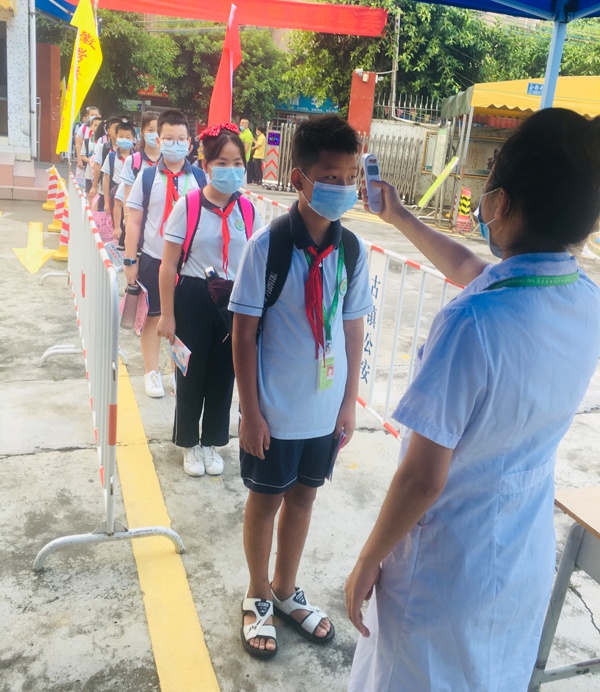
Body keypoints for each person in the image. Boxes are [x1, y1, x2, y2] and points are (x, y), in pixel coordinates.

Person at [345, 108, 600, 691]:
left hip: (445, 568)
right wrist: (399, 215)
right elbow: (472, 268)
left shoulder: (472, 325)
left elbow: (422, 479)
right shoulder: (582, 297)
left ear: (500, 203)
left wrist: (368, 558)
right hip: (518, 555)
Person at [229, 115, 372, 659]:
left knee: (305, 496)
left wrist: (348, 403)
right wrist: (251, 413)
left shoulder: (352, 250)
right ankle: (257, 593)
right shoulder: (267, 248)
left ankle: (286, 589)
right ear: (299, 178)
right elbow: (244, 333)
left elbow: (353, 326)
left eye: (351, 177)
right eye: (331, 177)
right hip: (275, 411)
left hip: (323, 410)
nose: (343, 187)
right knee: (266, 501)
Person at [157, 123, 262, 477]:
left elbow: (257, 261)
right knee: (190, 375)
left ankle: (212, 443)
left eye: (237, 163)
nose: (231, 170)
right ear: (205, 165)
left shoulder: (248, 210)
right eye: (222, 163)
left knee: (224, 375)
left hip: (233, 302)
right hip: (193, 297)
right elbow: (168, 264)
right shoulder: (188, 205)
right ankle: (189, 443)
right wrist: (167, 315)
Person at [124, 109, 206, 399]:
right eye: (169, 138)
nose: (175, 144)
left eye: (181, 139)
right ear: (158, 140)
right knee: (153, 317)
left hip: (188, 264)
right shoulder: (148, 177)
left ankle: (176, 372)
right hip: (154, 259)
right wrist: (130, 261)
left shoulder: (199, 178)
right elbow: (134, 221)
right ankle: (151, 372)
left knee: (182, 320)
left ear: (190, 142)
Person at [115, 111, 161, 247]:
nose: (155, 134)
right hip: (137, 223)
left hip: (159, 225)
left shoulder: (168, 161)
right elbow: (127, 197)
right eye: (150, 130)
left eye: (158, 130)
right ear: (142, 132)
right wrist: (128, 224)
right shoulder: (133, 161)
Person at [102, 120, 136, 226]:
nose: (124, 139)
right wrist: (106, 202)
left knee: (130, 222)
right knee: (116, 224)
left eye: (128, 137)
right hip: (115, 192)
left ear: (133, 139)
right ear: (116, 137)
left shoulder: (137, 158)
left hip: (131, 194)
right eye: (121, 136)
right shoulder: (111, 157)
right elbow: (106, 179)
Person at [90, 116, 122, 211]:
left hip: (121, 190)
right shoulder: (103, 147)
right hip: (104, 189)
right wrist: (94, 186)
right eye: (115, 128)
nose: (118, 131)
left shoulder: (127, 149)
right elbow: (97, 166)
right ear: (109, 131)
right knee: (104, 213)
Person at [81, 116, 102, 194]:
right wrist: (91, 161)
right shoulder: (87, 141)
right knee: (89, 193)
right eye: (95, 125)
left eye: (99, 126)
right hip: (89, 172)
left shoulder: (105, 141)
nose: (97, 128)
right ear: (91, 126)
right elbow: (82, 156)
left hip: (100, 172)